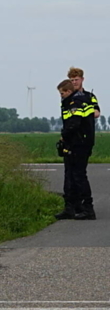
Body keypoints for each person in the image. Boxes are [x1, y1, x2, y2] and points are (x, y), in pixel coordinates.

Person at [57, 78, 96, 220]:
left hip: (79, 144)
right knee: (70, 176)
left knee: (79, 175)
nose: (61, 96)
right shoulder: (74, 101)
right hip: (75, 143)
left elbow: (74, 124)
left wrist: (64, 136)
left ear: (68, 92)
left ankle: (87, 208)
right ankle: (72, 207)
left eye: (62, 93)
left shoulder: (76, 103)